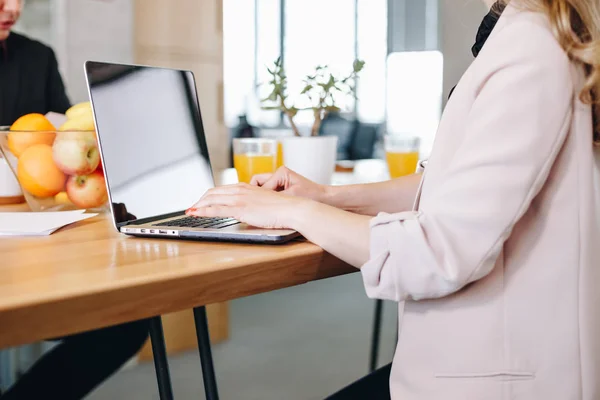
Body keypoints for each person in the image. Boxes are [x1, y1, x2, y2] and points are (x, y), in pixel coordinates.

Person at [188, 0, 600, 398]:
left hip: (493, 379)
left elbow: (438, 251)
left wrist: (292, 211)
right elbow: (444, 186)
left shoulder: (531, 47)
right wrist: (326, 197)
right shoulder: (534, 33)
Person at [0, 1, 150, 398]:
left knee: (127, 321)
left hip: (32, 238)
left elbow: (67, 139)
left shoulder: (36, 57)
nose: (12, 7)